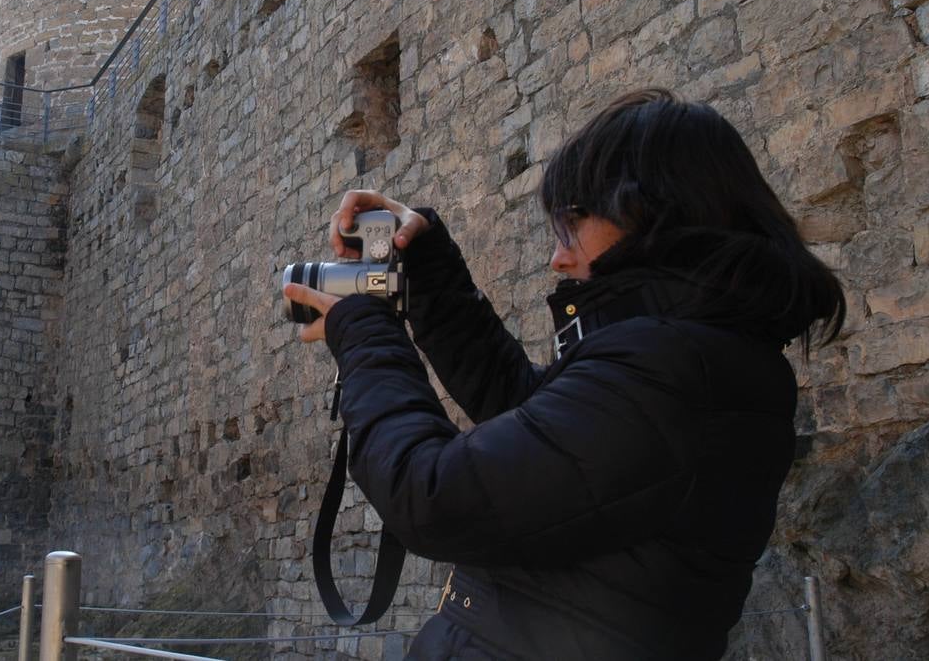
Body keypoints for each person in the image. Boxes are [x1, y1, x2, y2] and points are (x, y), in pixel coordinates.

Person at [282, 89, 845, 660]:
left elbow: (431, 497)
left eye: (572, 222)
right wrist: (427, 269)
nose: (558, 256)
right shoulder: (693, 359)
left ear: (649, 211)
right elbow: (529, 419)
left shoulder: (675, 371)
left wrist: (365, 336)